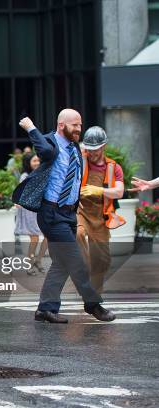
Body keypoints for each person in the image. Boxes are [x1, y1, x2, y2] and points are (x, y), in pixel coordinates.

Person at [15, 112, 116, 324]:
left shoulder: (75, 149)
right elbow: (45, 152)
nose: (79, 129)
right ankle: (93, 305)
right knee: (75, 260)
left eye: (80, 124)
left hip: (69, 213)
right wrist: (31, 128)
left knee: (61, 263)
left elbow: (75, 177)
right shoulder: (50, 141)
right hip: (51, 213)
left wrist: (76, 202)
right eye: (75, 125)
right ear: (61, 124)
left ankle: (46, 308)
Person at [76, 126, 125, 293]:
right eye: (89, 149)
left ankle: (94, 298)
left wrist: (100, 190)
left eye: (95, 149)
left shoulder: (113, 167)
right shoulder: (79, 161)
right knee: (78, 233)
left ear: (103, 146)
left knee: (102, 260)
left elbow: (119, 192)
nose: (92, 153)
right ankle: (83, 271)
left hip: (102, 215)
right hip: (80, 210)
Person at [14, 152, 48, 275]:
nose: (37, 163)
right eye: (34, 161)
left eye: (38, 160)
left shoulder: (42, 173)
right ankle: (29, 264)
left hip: (40, 209)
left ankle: (38, 261)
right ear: (28, 163)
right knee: (34, 237)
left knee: (47, 236)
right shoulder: (24, 176)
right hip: (29, 210)